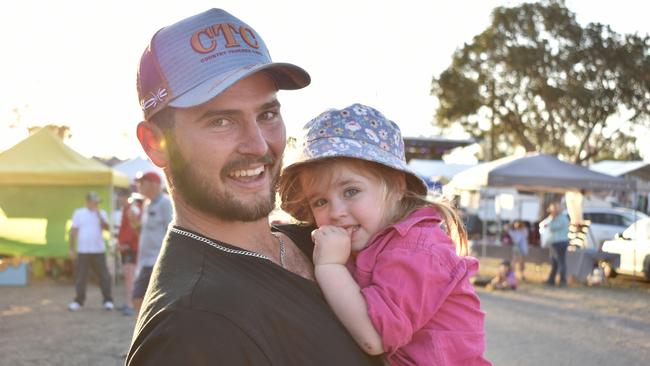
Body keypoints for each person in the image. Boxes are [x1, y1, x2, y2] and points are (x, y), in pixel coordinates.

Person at [126, 9, 382, 365]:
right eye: (221, 121)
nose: (259, 145)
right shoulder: (191, 327)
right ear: (154, 143)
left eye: (267, 114)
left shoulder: (317, 241)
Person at [278, 104, 491, 365]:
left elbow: (374, 336)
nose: (335, 212)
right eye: (320, 202)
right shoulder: (370, 241)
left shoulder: (416, 248)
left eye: (351, 191)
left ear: (397, 186)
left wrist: (329, 266)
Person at [131, 171, 172, 314]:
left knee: (140, 298)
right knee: (139, 299)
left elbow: (171, 231)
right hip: (145, 261)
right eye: (138, 182)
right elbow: (146, 231)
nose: (138, 185)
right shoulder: (147, 204)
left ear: (155, 184)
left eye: (142, 182)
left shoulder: (166, 203)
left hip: (157, 261)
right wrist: (134, 224)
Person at [68, 191, 114, 311]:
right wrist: (71, 248)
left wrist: (99, 216)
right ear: (88, 202)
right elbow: (73, 231)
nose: (96, 204)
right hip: (83, 251)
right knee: (80, 277)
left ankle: (108, 300)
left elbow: (107, 229)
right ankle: (79, 301)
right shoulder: (79, 213)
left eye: (97, 202)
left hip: (98, 250)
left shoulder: (102, 213)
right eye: (95, 202)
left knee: (103, 276)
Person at [116, 190, 143, 316]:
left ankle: (130, 304)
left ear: (125, 197)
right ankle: (129, 303)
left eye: (119, 196)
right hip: (128, 246)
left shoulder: (133, 208)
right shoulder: (129, 208)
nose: (118, 199)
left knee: (129, 276)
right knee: (129, 276)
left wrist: (125, 243)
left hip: (131, 247)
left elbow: (134, 228)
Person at [542, 202, 570, 286]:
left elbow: (552, 227)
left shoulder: (560, 218)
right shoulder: (559, 218)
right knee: (555, 261)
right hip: (556, 242)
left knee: (560, 261)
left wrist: (550, 221)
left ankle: (562, 280)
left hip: (559, 242)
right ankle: (551, 279)